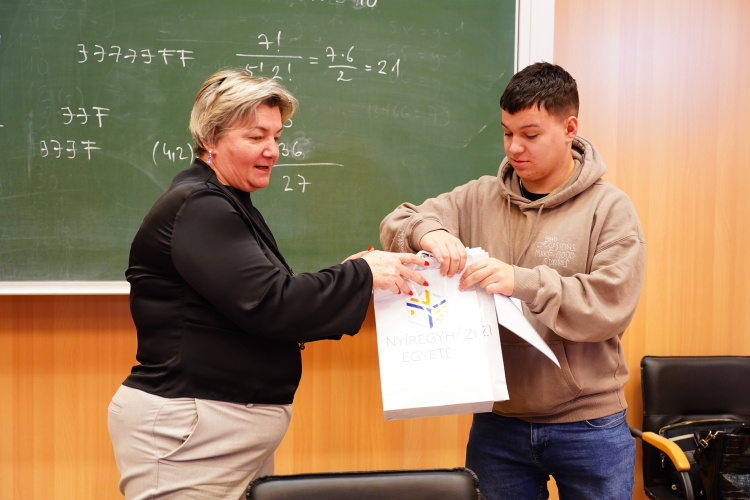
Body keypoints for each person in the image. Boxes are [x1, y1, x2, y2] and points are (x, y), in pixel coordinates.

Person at [108, 69, 426, 500]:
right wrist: (362, 274)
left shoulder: (225, 202)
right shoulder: (200, 207)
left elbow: (267, 295)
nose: (272, 150)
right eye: (256, 137)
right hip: (189, 437)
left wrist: (353, 273)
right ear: (211, 137)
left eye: (276, 137)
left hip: (217, 437)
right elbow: (273, 305)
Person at [379, 62, 646, 500]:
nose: (514, 148)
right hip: (499, 425)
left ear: (570, 128)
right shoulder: (479, 197)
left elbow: (608, 306)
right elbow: (399, 220)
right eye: (507, 133)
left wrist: (522, 281)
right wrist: (428, 232)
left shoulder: (610, 209)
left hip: (589, 426)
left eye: (530, 134)